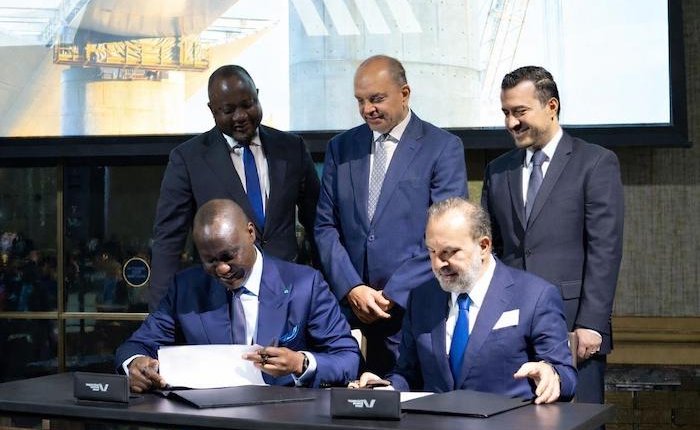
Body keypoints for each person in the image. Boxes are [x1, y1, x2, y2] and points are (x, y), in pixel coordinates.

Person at [314, 55, 467, 376]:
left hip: (412, 312)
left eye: (376, 99)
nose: (367, 109)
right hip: (350, 315)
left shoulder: (442, 147)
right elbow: (325, 226)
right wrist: (352, 287)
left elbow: (448, 235)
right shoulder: (341, 148)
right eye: (360, 101)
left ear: (405, 93)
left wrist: (392, 294)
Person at [481, 65, 624, 404]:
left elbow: (604, 250)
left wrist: (592, 323)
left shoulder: (595, 163)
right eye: (505, 112)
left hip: (574, 328)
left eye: (520, 111)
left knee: (578, 422)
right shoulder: (498, 170)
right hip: (509, 328)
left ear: (551, 106)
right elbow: (491, 250)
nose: (511, 123)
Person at [115, 199, 360, 392]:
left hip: (284, 416)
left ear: (251, 233)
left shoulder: (305, 285)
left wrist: (300, 363)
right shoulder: (186, 287)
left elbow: (347, 358)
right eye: (210, 261)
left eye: (229, 256)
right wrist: (134, 364)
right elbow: (136, 345)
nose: (222, 269)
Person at [354, 198, 576, 404]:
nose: (439, 264)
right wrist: (387, 388)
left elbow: (566, 375)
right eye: (432, 251)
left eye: (449, 252)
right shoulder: (421, 298)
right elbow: (407, 373)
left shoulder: (534, 296)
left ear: (483, 246)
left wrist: (551, 374)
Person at [149, 65, 320, 311]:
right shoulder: (188, 159)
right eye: (228, 110)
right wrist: (161, 313)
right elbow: (168, 241)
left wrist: (334, 289)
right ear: (212, 110)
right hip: (219, 302)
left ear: (257, 96)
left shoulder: (292, 148)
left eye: (247, 104)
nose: (240, 116)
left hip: (289, 296)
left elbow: (317, 224)